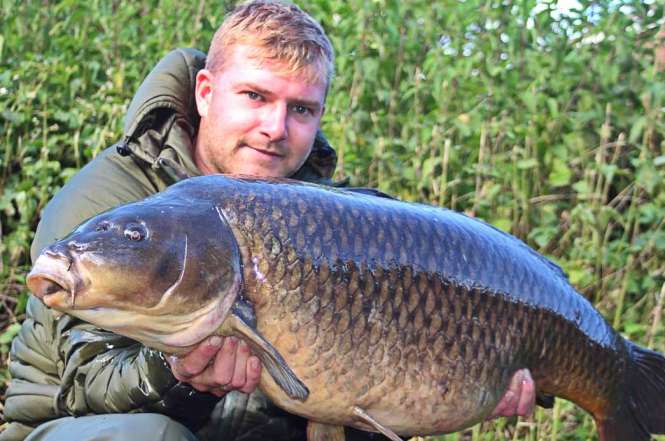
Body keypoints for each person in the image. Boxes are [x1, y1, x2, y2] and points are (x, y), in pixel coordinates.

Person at [2, 1, 535, 440]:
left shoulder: (321, 214)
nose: (274, 128)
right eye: (255, 96)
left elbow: (373, 374)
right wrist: (179, 370)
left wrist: (469, 385)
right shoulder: (110, 201)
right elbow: (89, 381)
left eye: (301, 109)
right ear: (206, 93)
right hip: (77, 426)